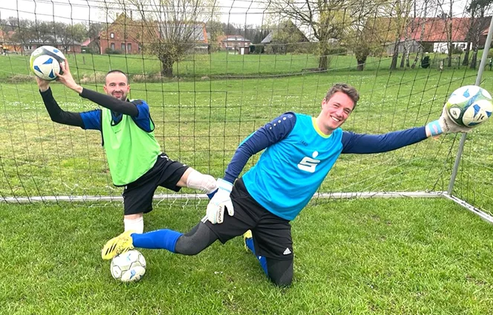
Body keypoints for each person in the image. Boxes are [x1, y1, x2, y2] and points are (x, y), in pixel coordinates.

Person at [101, 83, 470, 286]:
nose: (340, 113)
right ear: (324, 102)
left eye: (346, 111)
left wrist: (437, 127)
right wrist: (227, 186)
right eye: (336, 105)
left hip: (278, 219)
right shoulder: (292, 123)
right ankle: (133, 239)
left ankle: (253, 242)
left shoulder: (340, 141)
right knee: (190, 245)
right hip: (244, 200)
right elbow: (247, 146)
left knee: (282, 282)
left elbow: (384, 141)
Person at [36, 60, 217, 234]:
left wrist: (78, 88)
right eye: (112, 85)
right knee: (131, 235)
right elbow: (59, 116)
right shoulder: (101, 117)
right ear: (105, 89)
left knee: (207, 183)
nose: (117, 89)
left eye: (121, 84)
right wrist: (44, 89)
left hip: (158, 166)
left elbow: (122, 107)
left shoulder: (139, 107)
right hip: (134, 182)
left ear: (128, 88)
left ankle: (231, 215)